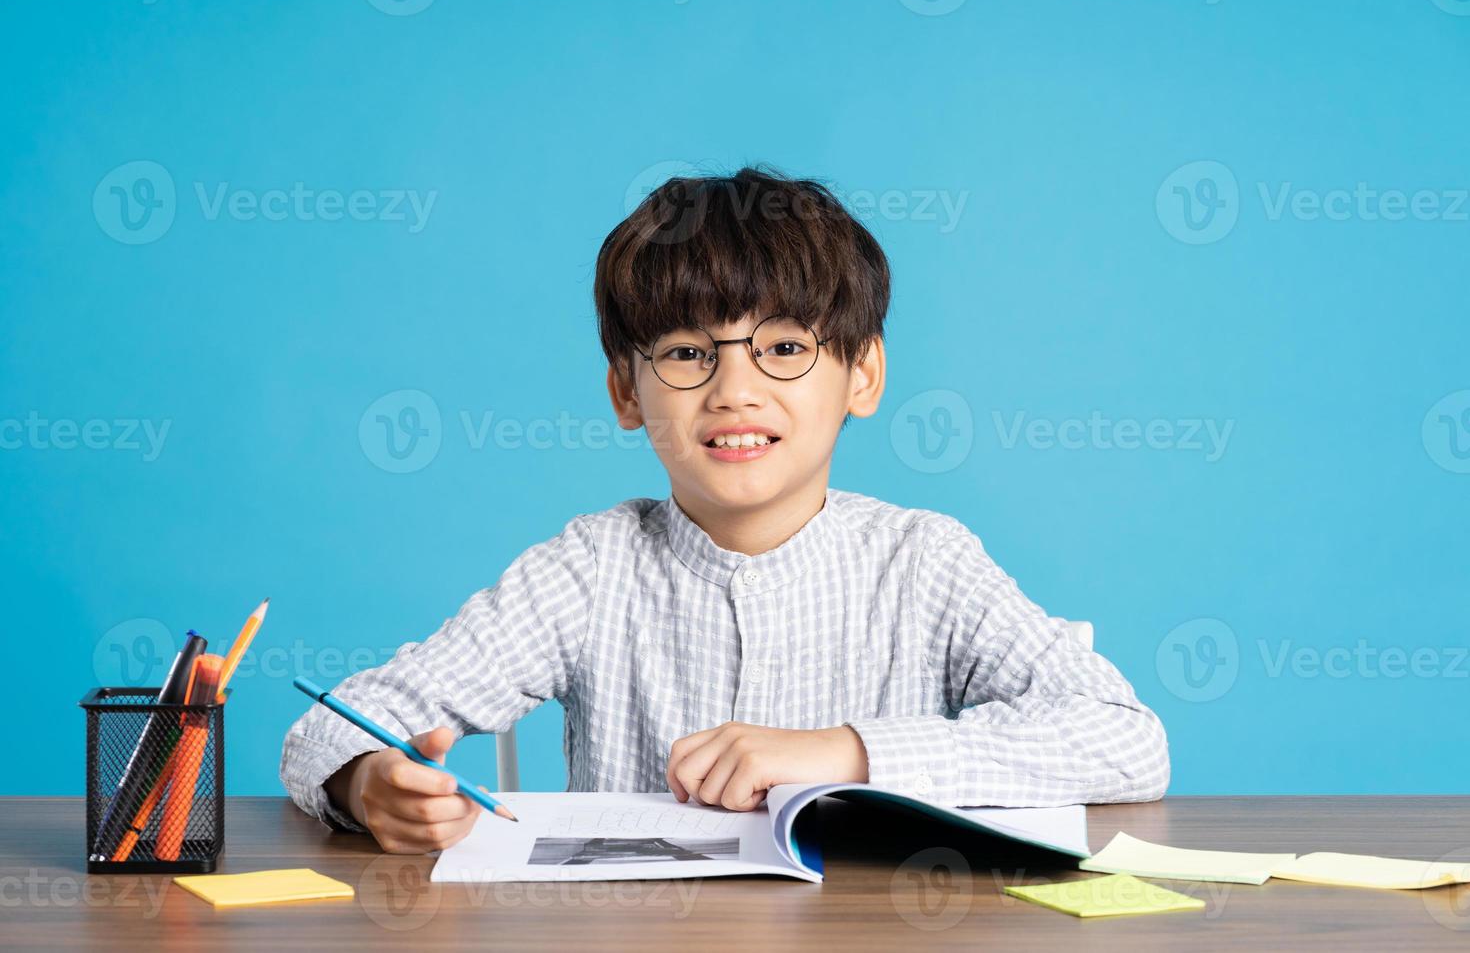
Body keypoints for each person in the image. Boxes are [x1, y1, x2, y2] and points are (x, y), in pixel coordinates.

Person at [280, 165, 1170, 855]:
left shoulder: (924, 562)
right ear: (626, 391)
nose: (735, 390)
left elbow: (1127, 742)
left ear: (863, 374)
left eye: (784, 346)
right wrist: (364, 783)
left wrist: (845, 755)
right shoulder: (589, 569)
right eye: (684, 353)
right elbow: (336, 721)